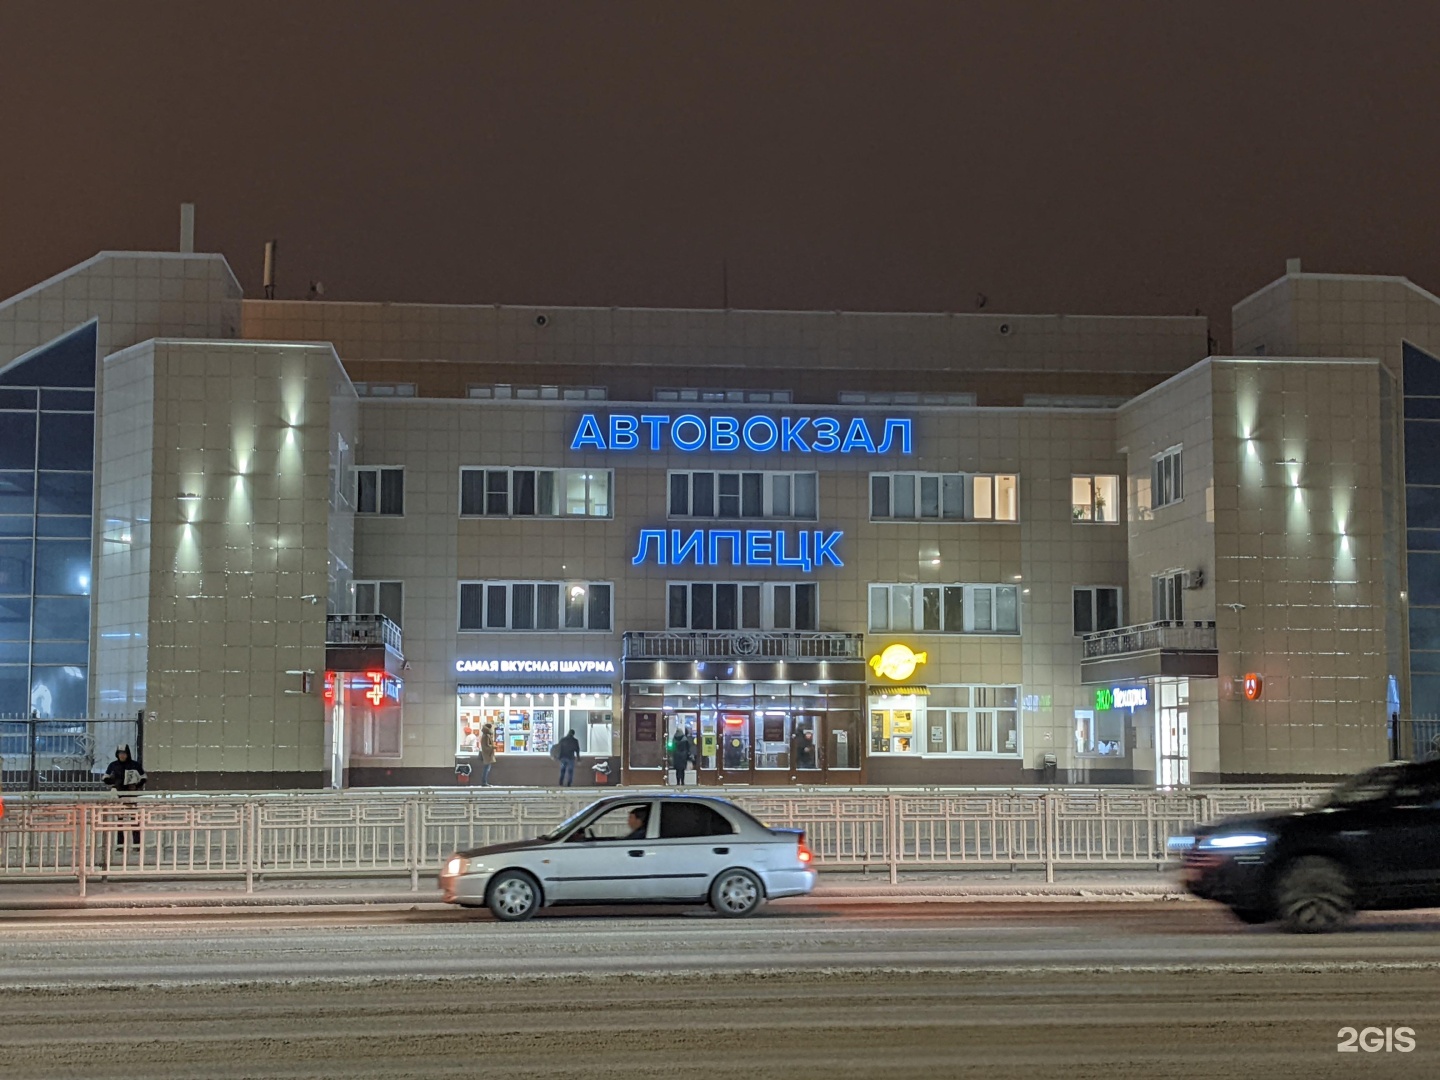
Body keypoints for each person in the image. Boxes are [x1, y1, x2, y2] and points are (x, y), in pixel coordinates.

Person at [102, 745, 146, 847]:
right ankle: (120, 845)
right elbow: (105, 777)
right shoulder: (113, 765)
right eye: (120, 753)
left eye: (124, 753)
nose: (122, 756)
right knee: (120, 820)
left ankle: (137, 844)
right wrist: (112, 781)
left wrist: (137, 785)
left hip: (131, 795)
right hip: (119, 795)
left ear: (128, 754)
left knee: (134, 819)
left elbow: (143, 777)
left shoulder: (135, 765)